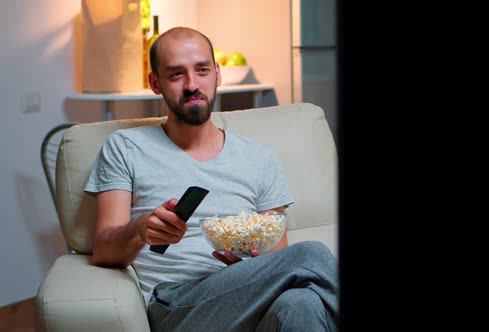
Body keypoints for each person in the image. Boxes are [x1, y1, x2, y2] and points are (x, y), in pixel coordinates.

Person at [84, 26, 339, 331]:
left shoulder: (260, 158)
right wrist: (140, 231)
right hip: (175, 304)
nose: (192, 84)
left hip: (249, 298)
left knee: (301, 303)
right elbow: (103, 251)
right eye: (176, 74)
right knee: (311, 254)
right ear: (156, 83)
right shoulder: (125, 147)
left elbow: (278, 259)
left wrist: (249, 267)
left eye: (202, 70)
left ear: (217, 74)